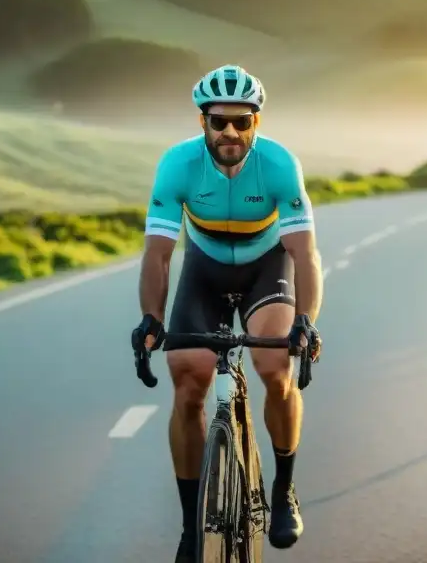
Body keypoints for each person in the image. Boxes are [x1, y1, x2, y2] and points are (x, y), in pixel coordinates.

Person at [131, 64, 324, 563]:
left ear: (256, 123)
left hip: (267, 265)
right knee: (188, 375)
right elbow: (158, 254)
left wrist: (306, 319)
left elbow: (305, 254)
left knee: (273, 365)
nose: (230, 132)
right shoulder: (178, 165)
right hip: (206, 269)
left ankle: (282, 489)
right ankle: (190, 526)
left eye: (242, 122)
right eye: (220, 122)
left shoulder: (280, 164)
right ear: (203, 123)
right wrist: (152, 317)